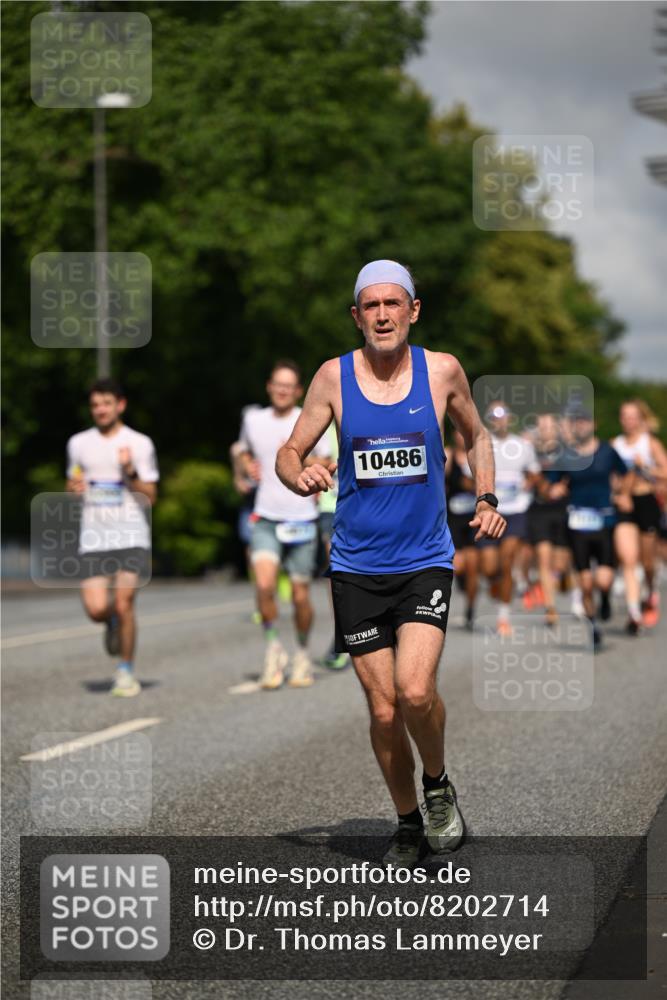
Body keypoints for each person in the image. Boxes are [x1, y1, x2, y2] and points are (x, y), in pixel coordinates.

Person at [276, 260, 505, 867]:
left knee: (414, 690)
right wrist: (298, 472)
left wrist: (485, 496)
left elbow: (476, 437)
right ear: (357, 316)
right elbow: (289, 449)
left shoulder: (442, 371)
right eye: (370, 306)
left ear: (413, 310)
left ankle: (437, 784)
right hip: (355, 565)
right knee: (382, 710)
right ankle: (407, 820)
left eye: (392, 304)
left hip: (426, 559)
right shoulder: (332, 377)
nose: (382, 315)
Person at [237, 360, 333, 689]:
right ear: (269, 386)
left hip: (302, 517)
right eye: (277, 384)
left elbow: (325, 459)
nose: (282, 390)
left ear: (298, 391)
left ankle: (302, 652)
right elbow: (240, 451)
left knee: (300, 596)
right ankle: (274, 648)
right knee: (263, 586)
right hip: (265, 515)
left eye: (288, 386)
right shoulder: (253, 419)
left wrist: (293, 458)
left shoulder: (306, 419)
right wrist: (243, 471)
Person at [66, 378, 159, 697]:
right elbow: (73, 484)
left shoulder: (139, 443)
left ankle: (125, 671)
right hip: (94, 537)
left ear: (120, 405)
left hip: (131, 534)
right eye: (94, 405)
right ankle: (111, 623)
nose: (100, 410)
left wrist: (130, 471)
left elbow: (151, 494)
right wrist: (74, 490)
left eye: (106, 403)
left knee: (123, 602)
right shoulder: (78, 443)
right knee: (95, 608)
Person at [549, 408, 632, 647]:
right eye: (577, 422)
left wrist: (622, 493)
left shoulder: (607, 451)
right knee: (585, 583)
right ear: (573, 427)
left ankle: (604, 597)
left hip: (605, 521)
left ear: (593, 425)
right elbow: (551, 484)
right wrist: (554, 490)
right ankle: (593, 626)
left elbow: (627, 474)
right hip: (576, 524)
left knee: (603, 581)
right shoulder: (566, 455)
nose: (581, 426)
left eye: (585, 422)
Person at [475, 403, 542, 636]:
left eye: (503, 417)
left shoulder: (522, 445)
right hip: (490, 512)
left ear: (510, 419)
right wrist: (482, 492)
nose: (499, 421)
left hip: (516, 510)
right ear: (489, 420)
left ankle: (503, 616)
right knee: (489, 566)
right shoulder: (482, 444)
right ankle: (495, 583)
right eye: (494, 417)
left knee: (506, 562)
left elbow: (535, 473)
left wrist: (527, 483)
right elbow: (466, 476)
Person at [612, 399, 667, 630]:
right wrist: (617, 493)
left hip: (646, 502)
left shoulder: (650, 443)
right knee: (628, 558)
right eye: (625, 416)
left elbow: (665, 472)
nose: (629, 420)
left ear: (641, 419)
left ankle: (651, 589)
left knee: (647, 562)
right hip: (625, 505)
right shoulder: (615, 444)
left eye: (633, 416)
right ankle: (634, 613)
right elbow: (610, 475)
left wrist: (644, 467)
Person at [524, 413, 572, 627]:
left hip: (562, 510)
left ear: (557, 428)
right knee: (543, 558)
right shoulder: (529, 450)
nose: (545, 430)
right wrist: (543, 487)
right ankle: (550, 608)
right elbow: (526, 474)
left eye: (549, 426)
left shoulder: (567, 450)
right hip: (539, 509)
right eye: (541, 426)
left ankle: (563, 577)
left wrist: (563, 486)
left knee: (560, 563)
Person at [317, 421, 350, 669]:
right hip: (331, 506)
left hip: (365, 505)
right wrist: (318, 464)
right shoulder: (319, 426)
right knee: (336, 572)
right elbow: (297, 457)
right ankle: (343, 635)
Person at [445, 430, 479, 629]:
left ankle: (471, 609)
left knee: (475, 568)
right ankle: (460, 584)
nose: (460, 435)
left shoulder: (478, 457)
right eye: (456, 431)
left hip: (473, 519)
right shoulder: (449, 456)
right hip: (453, 519)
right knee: (459, 565)